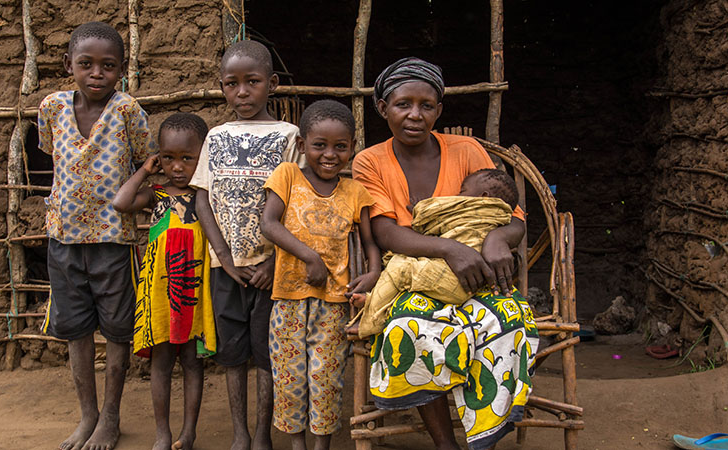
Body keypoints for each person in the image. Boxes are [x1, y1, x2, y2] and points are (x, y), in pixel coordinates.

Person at [352, 57, 538, 450]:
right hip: (417, 273)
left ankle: (484, 435)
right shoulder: (370, 161)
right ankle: (445, 443)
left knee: (511, 321)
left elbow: (513, 217)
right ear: (383, 108)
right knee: (410, 325)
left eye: (427, 105)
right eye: (403, 104)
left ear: (440, 109)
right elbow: (386, 232)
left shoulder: (467, 150)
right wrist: (451, 249)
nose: (415, 115)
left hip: (480, 273)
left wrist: (496, 240)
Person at [38, 21, 156, 450]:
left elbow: (148, 169)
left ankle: (110, 418)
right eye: (85, 64)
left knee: (118, 331)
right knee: (76, 330)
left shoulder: (128, 111)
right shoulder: (51, 107)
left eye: (108, 66)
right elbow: (55, 157)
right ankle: (87, 416)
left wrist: (133, 203)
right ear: (68, 64)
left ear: (122, 69)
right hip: (64, 237)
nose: (96, 74)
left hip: (113, 240)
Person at [190, 39, 304, 450]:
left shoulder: (289, 136)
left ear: (271, 84)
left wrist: (275, 260)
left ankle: (262, 436)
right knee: (231, 356)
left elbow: (300, 203)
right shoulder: (216, 137)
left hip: (272, 270)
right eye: (231, 84)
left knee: (268, 356)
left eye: (252, 82)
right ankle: (240, 434)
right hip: (227, 269)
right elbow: (202, 199)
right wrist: (223, 257)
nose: (241, 92)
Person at [260, 100, 380, 450]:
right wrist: (309, 256)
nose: (330, 155)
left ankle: (320, 446)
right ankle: (298, 445)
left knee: (325, 379)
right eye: (319, 145)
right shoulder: (287, 176)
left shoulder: (355, 192)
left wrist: (373, 273)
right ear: (302, 145)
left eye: (340, 147)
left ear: (352, 149)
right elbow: (269, 223)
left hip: (333, 305)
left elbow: (371, 242)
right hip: (288, 301)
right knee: (290, 377)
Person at [112, 112, 214, 450]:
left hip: (194, 292)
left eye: (188, 158)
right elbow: (121, 202)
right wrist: (144, 170)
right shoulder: (156, 194)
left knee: (191, 362)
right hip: (158, 292)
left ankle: (188, 433)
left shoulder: (205, 196)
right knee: (162, 361)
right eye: (168, 158)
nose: (177, 167)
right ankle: (162, 434)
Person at [350, 168, 526, 338]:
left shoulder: (462, 207)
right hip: (477, 282)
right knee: (413, 274)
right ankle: (377, 301)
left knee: (400, 267)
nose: (457, 196)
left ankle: (370, 322)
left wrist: (420, 206)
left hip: (453, 278)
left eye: (462, 191)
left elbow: (426, 215)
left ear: (484, 197)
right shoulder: (500, 216)